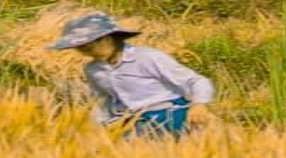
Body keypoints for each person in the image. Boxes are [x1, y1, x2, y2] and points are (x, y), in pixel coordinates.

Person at [52, 13, 212, 138]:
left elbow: (196, 81)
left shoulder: (147, 57)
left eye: (88, 45)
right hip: (127, 120)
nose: (84, 51)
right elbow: (103, 101)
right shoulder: (93, 70)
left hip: (167, 115)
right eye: (79, 47)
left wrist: (199, 105)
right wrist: (97, 128)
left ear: (107, 39)